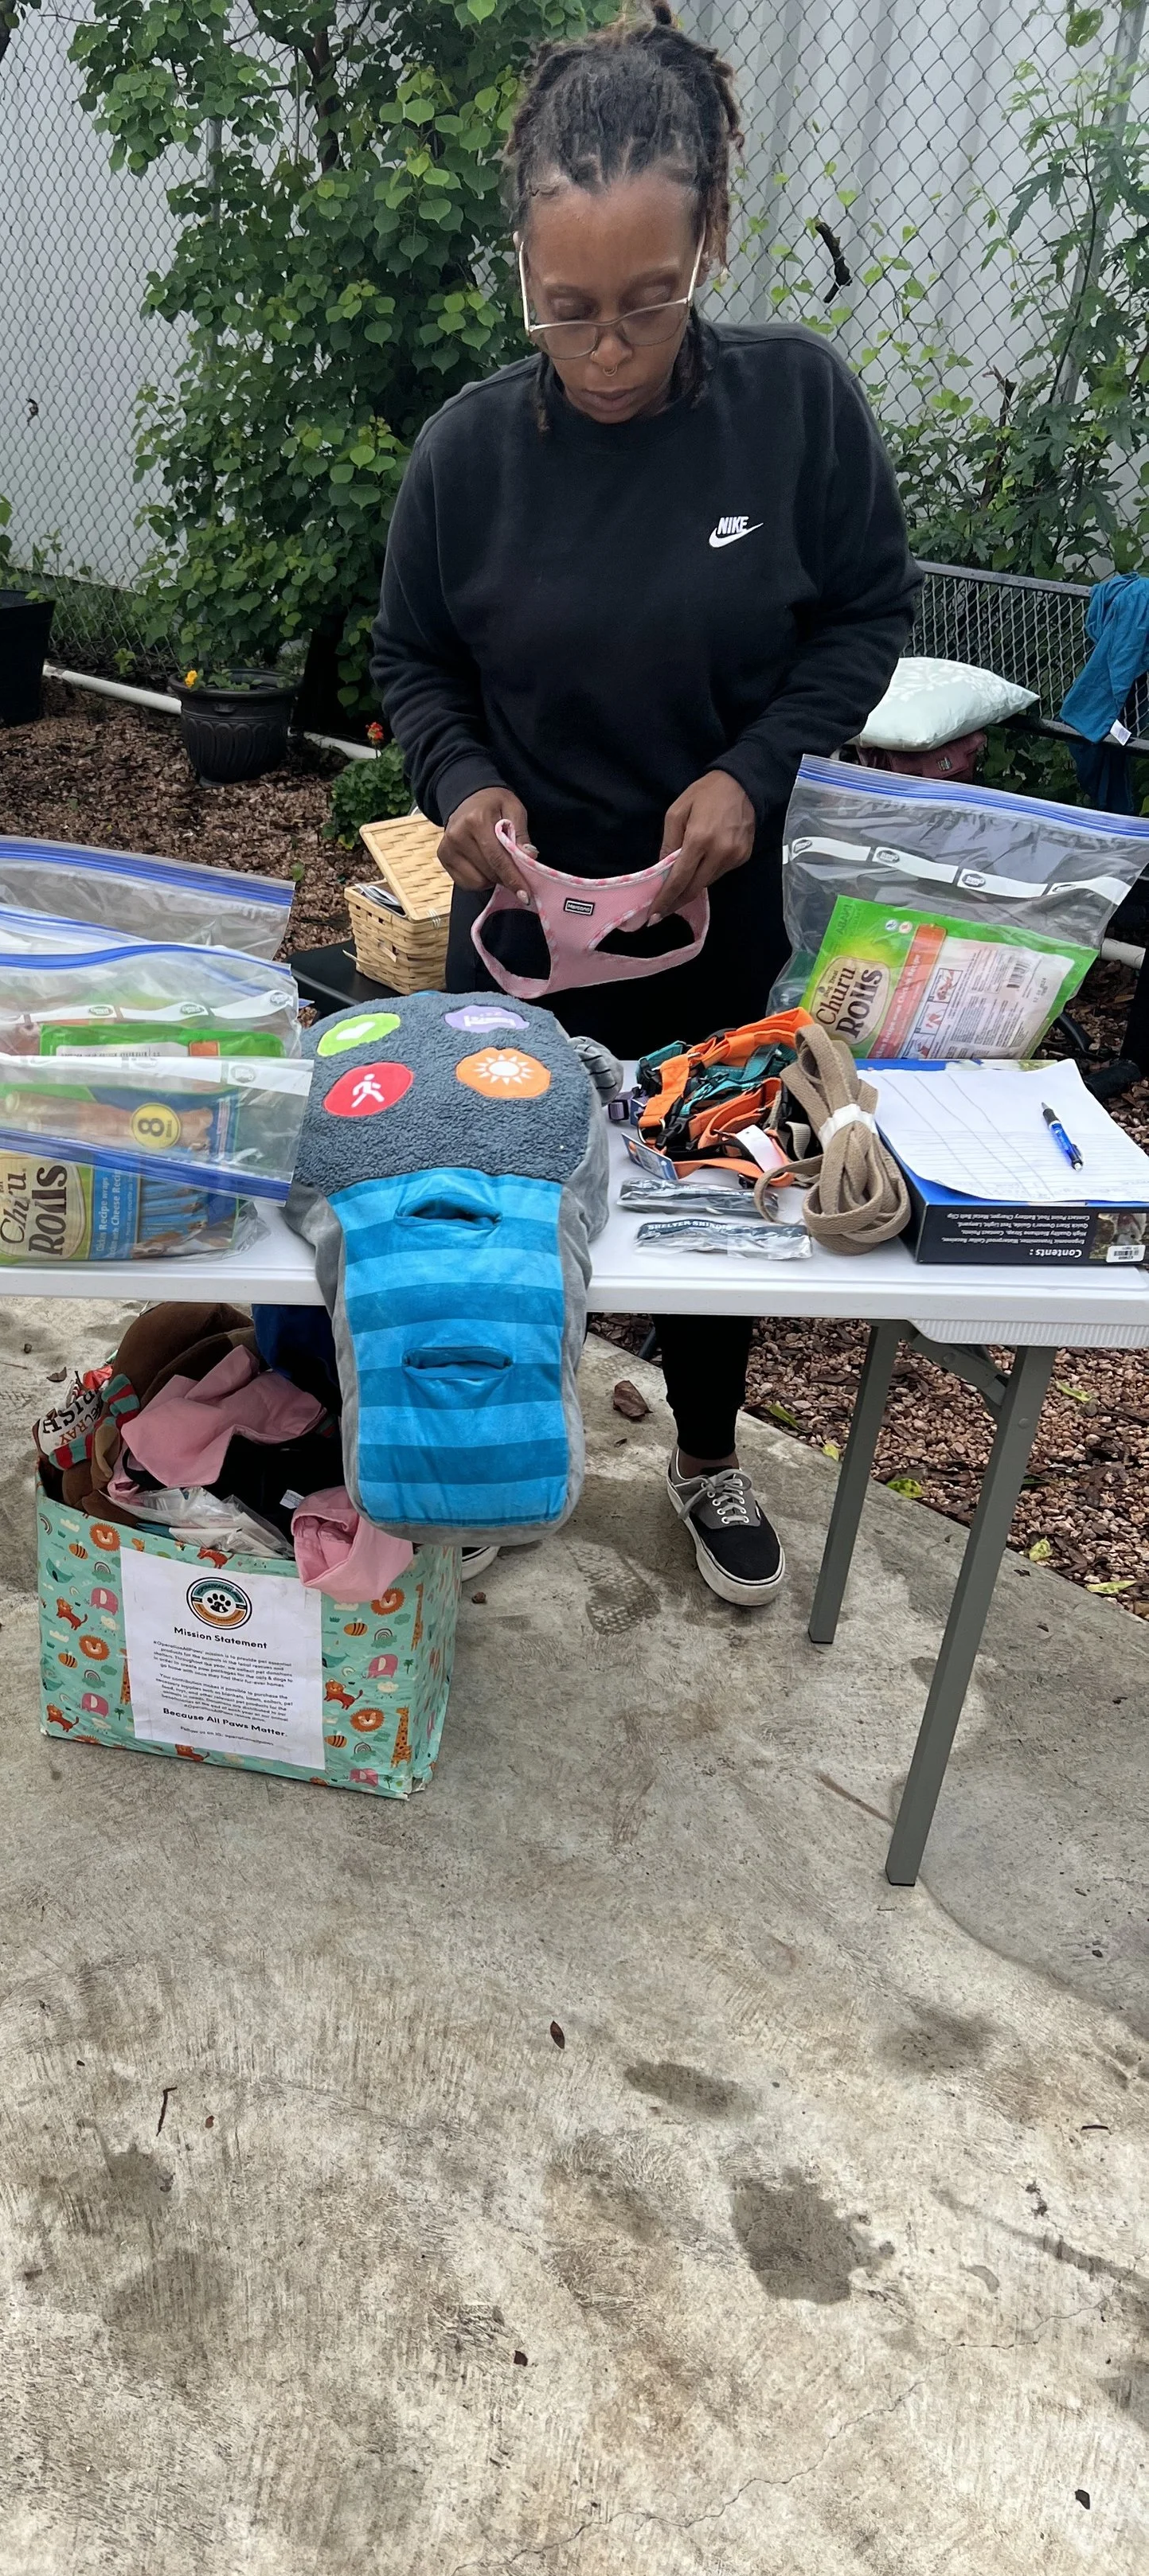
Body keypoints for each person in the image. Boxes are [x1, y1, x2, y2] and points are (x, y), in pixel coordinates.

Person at [372, 0, 917, 1609]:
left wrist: (749, 777)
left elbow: (863, 617)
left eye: (647, 305)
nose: (606, 354)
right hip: (523, 933)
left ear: (713, 244)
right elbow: (412, 663)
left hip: (709, 909)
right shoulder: (463, 457)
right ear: (519, 274)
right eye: (565, 313)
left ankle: (697, 1450)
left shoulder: (796, 409)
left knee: (707, 1221)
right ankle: (495, 1457)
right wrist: (460, 788)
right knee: (498, 1209)